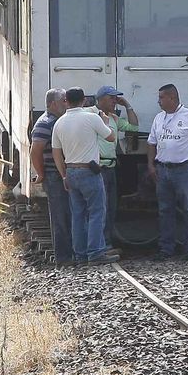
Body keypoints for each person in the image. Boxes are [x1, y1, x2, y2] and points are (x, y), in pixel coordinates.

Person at [50, 87, 118, 265]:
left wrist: (63, 175)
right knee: (97, 212)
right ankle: (95, 252)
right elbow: (111, 138)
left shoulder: (59, 122)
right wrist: (107, 121)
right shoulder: (92, 118)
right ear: (84, 101)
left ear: (67, 101)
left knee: (78, 214)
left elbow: (56, 153)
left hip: (71, 171)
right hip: (89, 171)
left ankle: (80, 254)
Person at [146, 83, 188, 259]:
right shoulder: (158, 118)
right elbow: (151, 143)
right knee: (165, 210)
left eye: (161, 97)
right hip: (163, 169)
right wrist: (151, 165)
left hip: (183, 169)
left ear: (172, 98)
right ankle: (166, 248)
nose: (159, 101)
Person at [29, 88, 73, 266]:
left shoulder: (58, 121)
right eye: (63, 100)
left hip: (61, 173)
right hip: (53, 175)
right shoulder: (45, 123)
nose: (66, 103)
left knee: (68, 214)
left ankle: (71, 253)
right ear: (52, 103)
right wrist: (41, 173)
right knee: (60, 216)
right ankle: (63, 258)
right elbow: (35, 151)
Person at [95, 86, 139, 246]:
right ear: (100, 99)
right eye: (111, 98)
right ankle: (100, 244)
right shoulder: (91, 115)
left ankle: (106, 241)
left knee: (111, 206)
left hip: (111, 168)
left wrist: (127, 105)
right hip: (98, 167)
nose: (115, 101)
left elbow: (134, 127)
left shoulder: (113, 118)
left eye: (116, 98)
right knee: (100, 207)